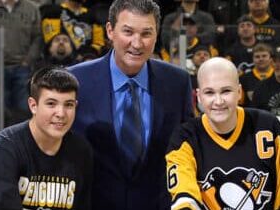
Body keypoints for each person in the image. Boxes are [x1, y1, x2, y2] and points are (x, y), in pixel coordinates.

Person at [69, 0, 194, 209]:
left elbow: (186, 148)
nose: (137, 44)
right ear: (110, 30)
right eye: (128, 32)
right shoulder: (76, 80)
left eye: (146, 34)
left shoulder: (178, 82)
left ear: (157, 34)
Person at [166, 57, 280, 209]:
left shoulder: (268, 126)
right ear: (199, 96)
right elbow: (184, 196)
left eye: (226, 91)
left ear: (239, 92)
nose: (218, 101)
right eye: (209, 93)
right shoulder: (185, 137)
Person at [0, 67, 93, 210]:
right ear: (33, 105)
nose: (61, 113)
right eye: (51, 104)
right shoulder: (5, 147)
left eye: (68, 105)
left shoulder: (81, 151)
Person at [0, 0, 42, 125]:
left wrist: (28, 60)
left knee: (23, 109)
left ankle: (20, 142)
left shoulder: (32, 9)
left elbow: (38, 37)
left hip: (22, 68)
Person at [252, 48, 280, 133]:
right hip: (272, 133)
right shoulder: (261, 88)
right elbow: (255, 117)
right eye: (275, 61)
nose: (277, 64)